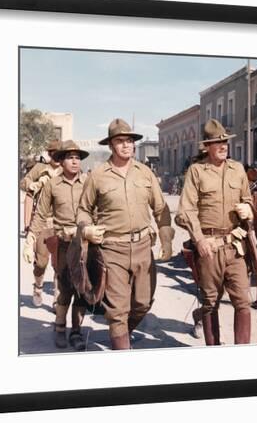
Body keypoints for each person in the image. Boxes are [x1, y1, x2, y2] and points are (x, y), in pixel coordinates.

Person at [77, 118, 175, 350]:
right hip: (112, 250)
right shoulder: (98, 175)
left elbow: (161, 209)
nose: (126, 145)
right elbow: (83, 210)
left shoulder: (145, 173)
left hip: (143, 247)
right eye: (120, 141)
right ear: (110, 145)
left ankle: (123, 335)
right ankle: (122, 351)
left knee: (142, 303)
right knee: (118, 310)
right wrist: (87, 229)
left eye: (130, 141)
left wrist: (166, 238)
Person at [175, 119, 254, 346]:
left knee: (242, 301)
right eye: (216, 142)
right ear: (206, 146)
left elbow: (247, 198)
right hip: (208, 246)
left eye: (225, 142)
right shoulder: (197, 172)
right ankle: (214, 352)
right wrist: (199, 240)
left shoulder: (237, 169)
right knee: (210, 302)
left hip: (235, 245)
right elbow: (185, 211)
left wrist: (248, 208)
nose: (222, 146)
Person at [24, 140, 90, 350]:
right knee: (64, 288)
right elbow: (41, 214)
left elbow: (98, 210)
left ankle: (77, 331)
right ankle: (60, 327)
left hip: (85, 244)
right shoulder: (52, 185)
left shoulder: (89, 182)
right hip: (63, 244)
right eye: (70, 157)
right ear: (61, 161)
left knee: (82, 290)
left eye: (77, 157)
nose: (74, 161)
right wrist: (30, 239)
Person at [20, 139, 62, 307]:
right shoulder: (39, 168)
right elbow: (23, 183)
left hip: (60, 222)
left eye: (60, 154)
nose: (57, 157)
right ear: (49, 154)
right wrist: (34, 184)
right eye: (53, 153)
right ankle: (38, 287)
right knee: (41, 262)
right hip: (42, 222)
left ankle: (57, 298)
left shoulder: (66, 169)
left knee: (60, 264)